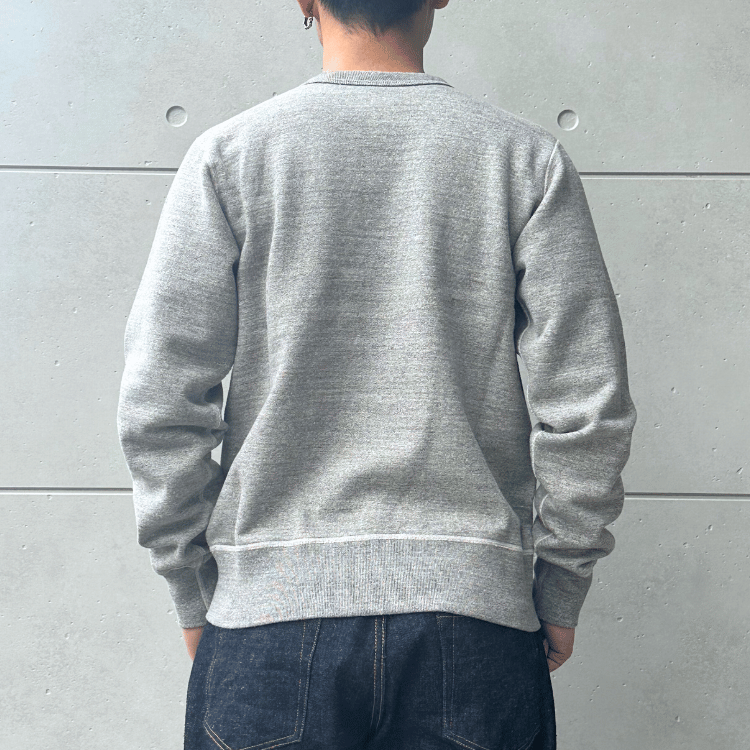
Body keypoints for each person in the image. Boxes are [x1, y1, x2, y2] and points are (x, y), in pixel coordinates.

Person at [116, 1, 637, 748]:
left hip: (268, 620)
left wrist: (194, 590)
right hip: (473, 621)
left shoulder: (229, 157)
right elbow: (588, 406)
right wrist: (560, 584)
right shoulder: (525, 160)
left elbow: (159, 402)